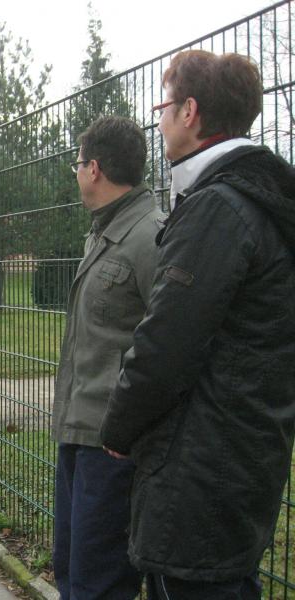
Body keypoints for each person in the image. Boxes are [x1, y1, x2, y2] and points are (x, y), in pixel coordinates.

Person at [100, 50, 295, 600]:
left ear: (189, 112)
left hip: (199, 467)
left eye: (163, 108)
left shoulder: (218, 209)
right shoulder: (256, 198)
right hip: (241, 454)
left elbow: (165, 344)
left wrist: (119, 428)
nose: (159, 121)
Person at [52, 116, 162, 600]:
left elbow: (167, 345)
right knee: (72, 573)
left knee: (100, 584)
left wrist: (127, 427)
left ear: (93, 168)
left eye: (78, 164)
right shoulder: (101, 233)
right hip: (78, 432)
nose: (77, 173)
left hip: (114, 447)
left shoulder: (151, 236)